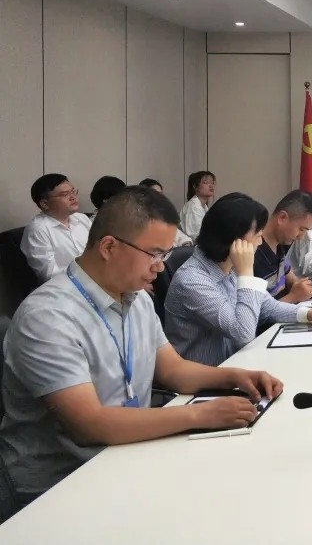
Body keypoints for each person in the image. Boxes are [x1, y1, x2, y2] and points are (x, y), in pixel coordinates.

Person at [0, 186, 284, 506]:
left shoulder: (136, 299)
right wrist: (200, 414)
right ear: (109, 246)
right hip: (58, 487)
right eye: (155, 254)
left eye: (165, 255)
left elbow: (174, 370)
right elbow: (89, 424)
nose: (161, 267)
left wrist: (236, 377)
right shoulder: (48, 317)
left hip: (126, 455)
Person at [163, 193, 312, 366]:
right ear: (234, 238)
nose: (260, 242)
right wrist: (246, 273)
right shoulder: (192, 281)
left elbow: (268, 306)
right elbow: (243, 333)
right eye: (257, 235)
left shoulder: (229, 266)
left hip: (238, 364)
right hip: (207, 377)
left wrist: (309, 314)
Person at [20, 174, 93, 283]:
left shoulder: (82, 218)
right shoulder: (38, 229)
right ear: (45, 204)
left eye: (73, 192)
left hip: (96, 280)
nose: (73, 197)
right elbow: (48, 275)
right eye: (64, 194)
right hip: (67, 287)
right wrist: (89, 273)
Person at [254, 190, 312, 303]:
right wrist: (293, 297)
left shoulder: (280, 244)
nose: (301, 237)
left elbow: (292, 280)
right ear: (282, 217)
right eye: (301, 229)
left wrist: (302, 287)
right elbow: (254, 310)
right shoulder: (253, 252)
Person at [137, 179, 192, 246]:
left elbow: (178, 235)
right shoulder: (138, 217)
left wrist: (186, 243)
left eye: (161, 194)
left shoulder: (162, 214)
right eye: (156, 194)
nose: (160, 197)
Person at [179, 170, 215, 239]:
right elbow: (195, 235)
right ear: (195, 187)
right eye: (206, 183)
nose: (211, 186)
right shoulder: (193, 207)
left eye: (212, 183)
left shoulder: (204, 206)